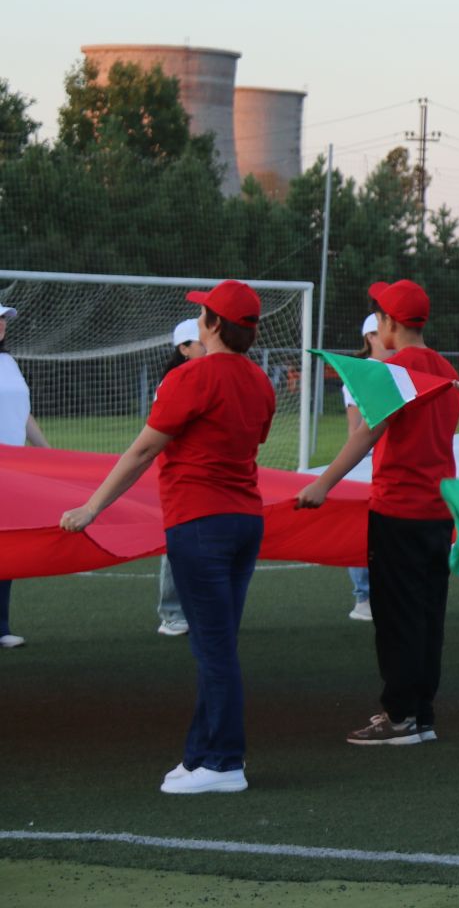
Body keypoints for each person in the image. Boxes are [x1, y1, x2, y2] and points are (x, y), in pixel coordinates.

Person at [59, 281, 276, 794]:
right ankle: (201, 753)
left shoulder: (192, 377)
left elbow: (141, 452)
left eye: (204, 312)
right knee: (215, 642)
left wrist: (92, 507)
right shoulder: (261, 382)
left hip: (199, 523)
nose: (200, 318)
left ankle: (224, 763)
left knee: (213, 648)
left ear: (215, 325)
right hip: (244, 520)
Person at [298, 280, 459, 747]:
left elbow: (368, 432)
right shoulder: (446, 370)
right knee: (429, 616)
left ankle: (400, 716)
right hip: (439, 509)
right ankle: (421, 714)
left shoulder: (396, 371)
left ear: (390, 323)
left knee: (396, 618)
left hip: (399, 509)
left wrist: (322, 484)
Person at [0, 301, 50, 650]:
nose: (2, 324)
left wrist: (48, 454)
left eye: (4, 319)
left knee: (7, 547)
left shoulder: (9, 363)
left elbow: (23, 413)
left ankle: (1, 626)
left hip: (13, 471)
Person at [154, 316, 206, 637]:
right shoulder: (174, 382)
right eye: (202, 343)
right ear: (184, 348)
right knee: (178, 544)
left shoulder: (210, 377)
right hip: (182, 477)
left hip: (203, 475)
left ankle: (198, 610)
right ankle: (172, 613)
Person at [338, 312, 385, 623]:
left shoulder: (401, 367)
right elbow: (356, 427)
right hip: (370, 462)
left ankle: (378, 595)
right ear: (371, 336)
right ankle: (363, 598)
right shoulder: (360, 372)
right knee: (365, 531)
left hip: (393, 462)